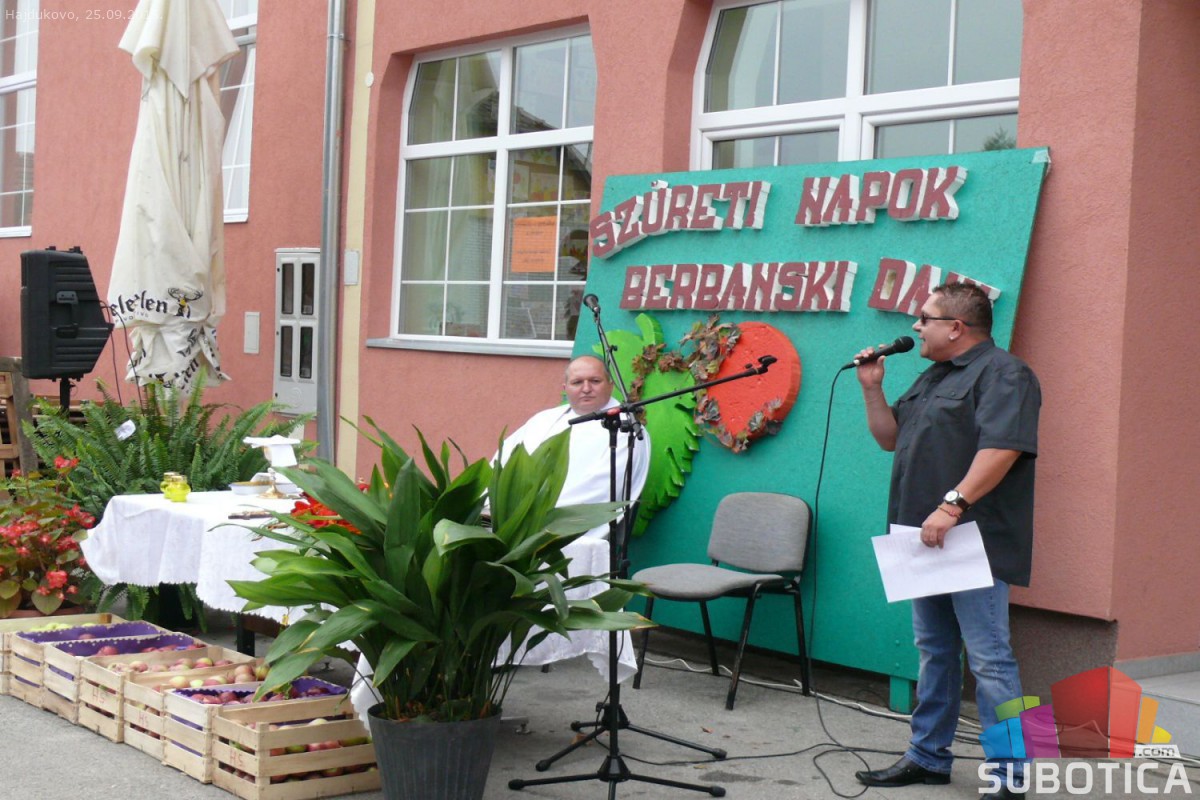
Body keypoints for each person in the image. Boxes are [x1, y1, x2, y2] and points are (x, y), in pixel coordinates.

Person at [853, 283, 1041, 798]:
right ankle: (927, 756)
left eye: (924, 318)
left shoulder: (1006, 374)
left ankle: (1011, 776)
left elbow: (1002, 448)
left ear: (955, 327)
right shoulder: (934, 375)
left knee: (990, 660)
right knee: (934, 651)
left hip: (972, 540)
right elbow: (890, 438)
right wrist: (872, 388)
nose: (915, 327)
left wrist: (952, 505)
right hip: (923, 537)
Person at [498, 355, 650, 536]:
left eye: (595, 381)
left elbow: (600, 490)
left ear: (610, 385)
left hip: (567, 534)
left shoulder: (625, 430)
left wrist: (533, 516)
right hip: (515, 524)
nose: (586, 389)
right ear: (565, 388)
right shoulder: (543, 420)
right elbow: (503, 463)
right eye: (577, 382)